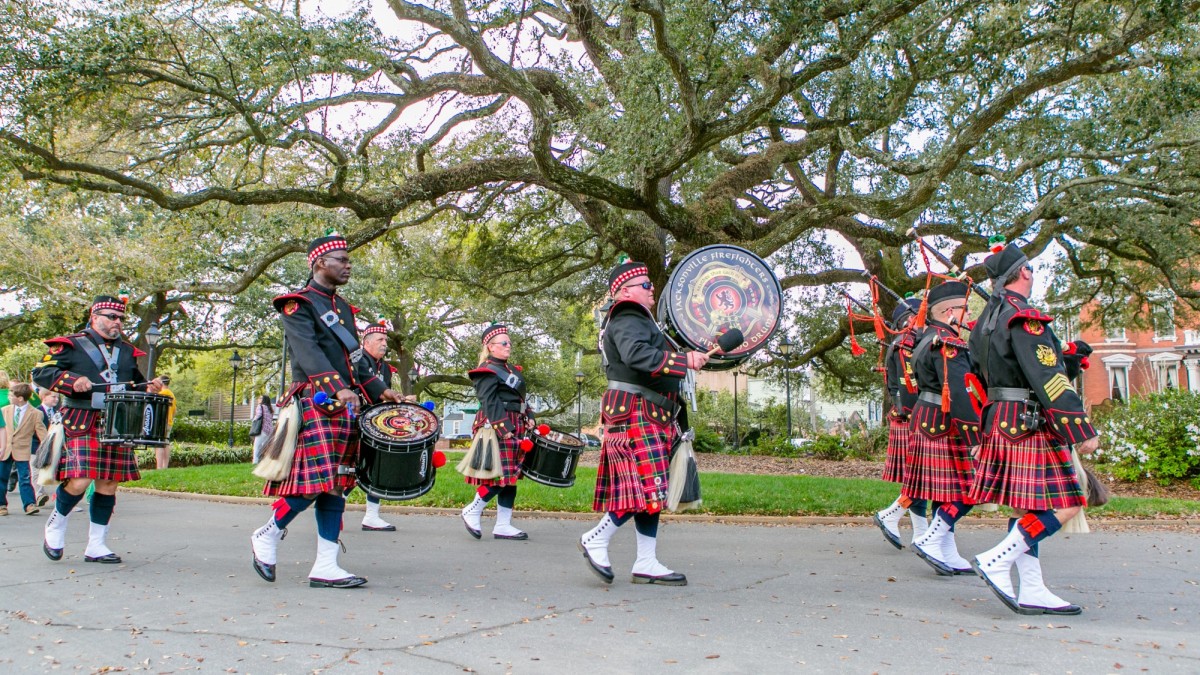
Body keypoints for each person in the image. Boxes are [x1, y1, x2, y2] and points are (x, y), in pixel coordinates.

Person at [249, 231, 402, 589]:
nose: (349, 265)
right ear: (320, 263)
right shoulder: (297, 304)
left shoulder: (345, 309)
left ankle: (325, 565)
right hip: (318, 401)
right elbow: (308, 354)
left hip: (346, 405)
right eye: (342, 260)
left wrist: (381, 391)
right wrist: (339, 389)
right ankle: (268, 533)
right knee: (314, 483)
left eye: (349, 261)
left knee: (337, 485)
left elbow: (357, 363)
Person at [968, 241, 1099, 615]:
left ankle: (1034, 589)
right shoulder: (1025, 317)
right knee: (1069, 503)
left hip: (1000, 417)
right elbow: (1047, 378)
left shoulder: (985, 324)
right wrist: (1080, 427)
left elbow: (988, 375)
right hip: (1028, 420)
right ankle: (997, 559)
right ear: (1023, 272)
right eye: (1032, 269)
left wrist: (1068, 358)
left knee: (1025, 507)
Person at [578, 260, 709, 586]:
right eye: (646, 285)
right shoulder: (627, 314)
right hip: (637, 411)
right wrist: (684, 361)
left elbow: (651, 357)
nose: (653, 291)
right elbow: (636, 355)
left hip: (649, 412)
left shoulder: (641, 320)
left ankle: (646, 561)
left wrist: (689, 356)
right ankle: (596, 537)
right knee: (641, 486)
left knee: (651, 490)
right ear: (625, 291)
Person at [31, 294, 165, 563]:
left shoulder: (127, 351)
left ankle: (96, 545)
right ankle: (55, 526)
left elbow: (134, 383)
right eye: (112, 317)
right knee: (80, 480)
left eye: (121, 318)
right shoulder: (70, 345)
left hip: (117, 423)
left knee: (108, 484)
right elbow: (41, 373)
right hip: (80, 419)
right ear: (95, 317)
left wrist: (149, 385)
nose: (118, 323)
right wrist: (71, 379)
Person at [902, 281, 983, 576]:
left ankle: (946, 551)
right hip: (943, 420)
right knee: (971, 489)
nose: (967, 314)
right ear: (949, 311)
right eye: (964, 309)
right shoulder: (949, 342)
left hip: (927, 416)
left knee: (944, 492)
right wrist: (974, 435)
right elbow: (960, 392)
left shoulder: (926, 338)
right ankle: (931, 539)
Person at [460, 323, 536, 541]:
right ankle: (472, 510)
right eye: (504, 343)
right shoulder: (485, 370)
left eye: (509, 342)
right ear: (491, 347)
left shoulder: (512, 371)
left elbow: (520, 400)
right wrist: (504, 428)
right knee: (499, 477)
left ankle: (503, 525)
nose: (508, 346)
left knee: (510, 478)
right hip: (496, 424)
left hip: (515, 421)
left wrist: (529, 417)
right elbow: (488, 400)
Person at [872, 298, 930, 548]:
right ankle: (891, 514)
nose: (924, 320)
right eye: (920, 316)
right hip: (912, 416)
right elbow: (909, 387)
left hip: (907, 416)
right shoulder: (906, 344)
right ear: (909, 320)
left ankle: (920, 534)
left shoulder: (904, 343)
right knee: (921, 478)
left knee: (920, 479)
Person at [358, 317, 401, 532]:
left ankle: (371, 515)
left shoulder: (384, 367)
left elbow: (383, 394)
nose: (385, 343)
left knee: (376, 466)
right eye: (380, 339)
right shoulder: (357, 359)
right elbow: (365, 383)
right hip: (354, 419)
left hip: (374, 423)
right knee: (348, 469)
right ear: (366, 342)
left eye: (386, 339)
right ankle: (330, 509)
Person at [2, 383, 49, 515]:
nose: (9, 397)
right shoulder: (4, 410)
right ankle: (1, 505)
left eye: (11, 395)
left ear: (20, 398)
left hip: (22, 450)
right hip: (5, 449)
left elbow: (42, 433)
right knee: (1, 477)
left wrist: (48, 448)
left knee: (25, 478)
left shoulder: (35, 413)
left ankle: (29, 504)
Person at [155, 375, 176, 469]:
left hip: (161, 421)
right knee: (166, 442)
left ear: (161, 382)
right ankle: (165, 466)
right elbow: (175, 410)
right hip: (169, 421)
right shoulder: (172, 394)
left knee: (159, 443)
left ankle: (159, 467)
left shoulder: (162, 393)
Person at [251, 394, 276, 464]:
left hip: (262, 429)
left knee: (257, 445)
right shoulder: (270, 409)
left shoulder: (260, 406)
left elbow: (259, 415)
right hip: (269, 430)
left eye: (260, 398)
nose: (259, 399)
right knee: (265, 446)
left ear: (263, 400)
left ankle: (255, 461)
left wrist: (254, 420)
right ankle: (265, 460)